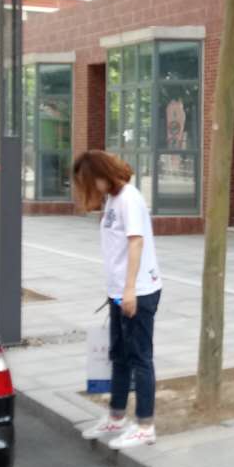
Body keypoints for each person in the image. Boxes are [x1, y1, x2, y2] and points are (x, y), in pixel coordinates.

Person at [73, 150, 162, 449]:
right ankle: (116, 416)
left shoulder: (129, 199)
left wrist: (130, 289)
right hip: (119, 293)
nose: (88, 187)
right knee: (120, 357)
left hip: (138, 292)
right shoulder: (113, 198)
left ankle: (145, 425)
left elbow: (136, 242)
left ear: (101, 174)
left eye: (88, 181)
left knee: (140, 358)